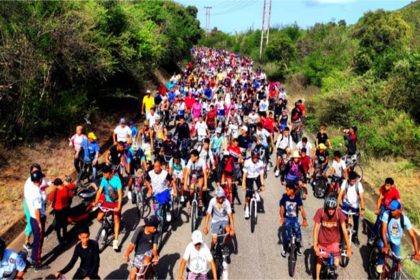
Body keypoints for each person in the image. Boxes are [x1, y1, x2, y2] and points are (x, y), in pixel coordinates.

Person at [313, 195, 352, 280]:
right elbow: (316, 229)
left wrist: (349, 248)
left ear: (335, 208)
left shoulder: (339, 213)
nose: (331, 211)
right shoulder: (321, 212)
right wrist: (315, 244)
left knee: (336, 263)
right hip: (322, 241)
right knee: (319, 259)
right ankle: (317, 277)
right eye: (329, 209)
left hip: (334, 241)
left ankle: (331, 272)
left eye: (333, 209)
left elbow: (345, 231)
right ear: (326, 207)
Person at [375, 200, 420, 273]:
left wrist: (417, 253)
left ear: (399, 210)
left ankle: (393, 275)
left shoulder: (405, 220)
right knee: (381, 246)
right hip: (386, 237)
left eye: (393, 210)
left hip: (396, 241)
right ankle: (380, 263)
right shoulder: (386, 214)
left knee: (397, 262)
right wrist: (386, 245)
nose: (391, 211)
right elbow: (383, 230)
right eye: (390, 209)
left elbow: (413, 236)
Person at [94, 165, 123, 251]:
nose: (103, 175)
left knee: (116, 219)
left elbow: (120, 194)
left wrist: (118, 206)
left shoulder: (117, 180)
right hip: (107, 202)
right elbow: (99, 191)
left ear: (109, 173)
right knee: (99, 218)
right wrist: (96, 202)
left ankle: (116, 241)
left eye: (104, 174)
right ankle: (107, 225)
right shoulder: (104, 179)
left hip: (115, 202)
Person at [25, 170, 48, 271]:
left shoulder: (30, 189)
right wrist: (39, 223)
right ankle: (37, 263)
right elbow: (37, 210)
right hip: (37, 218)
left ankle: (34, 258)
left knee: (36, 240)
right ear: (40, 180)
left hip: (31, 217)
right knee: (38, 241)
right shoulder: (37, 193)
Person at [123, 216, 159, 280]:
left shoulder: (155, 233)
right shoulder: (139, 230)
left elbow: (154, 248)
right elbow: (132, 245)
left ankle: (151, 274)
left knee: (146, 262)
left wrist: (155, 256)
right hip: (138, 254)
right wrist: (127, 254)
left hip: (149, 251)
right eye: (154, 227)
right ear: (148, 226)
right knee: (132, 276)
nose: (156, 229)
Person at [279, 183, 308, 257]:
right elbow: (281, 208)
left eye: (287, 189)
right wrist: (282, 217)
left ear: (292, 190)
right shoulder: (284, 197)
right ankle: (285, 248)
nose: (286, 191)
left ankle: (298, 246)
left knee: (297, 230)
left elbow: (302, 210)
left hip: (294, 219)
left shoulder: (297, 199)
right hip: (287, 218)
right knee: (286, 233)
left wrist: (304, 219)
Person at [337, 171, 365, 246]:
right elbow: (340, 194)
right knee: (342, 220)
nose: (352, 182)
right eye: (351, 180)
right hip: (346, 203)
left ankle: (355, 236)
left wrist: (362, 209)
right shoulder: (345, 182)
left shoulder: (359, 185)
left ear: (356, 179)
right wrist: (338, 205)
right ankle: (341, 235)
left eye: (354, 180)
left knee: (356, 222)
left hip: (355, 205)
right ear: (349, 179)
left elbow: (362, 198)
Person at [370, 178, 400, 242]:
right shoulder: (383, 188)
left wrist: (397, 211)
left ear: (392, 185)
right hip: (383, 207)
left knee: (387, 224)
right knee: (378, 221)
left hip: (390, 209)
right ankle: (372, 236)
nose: (386, 187)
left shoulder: (395, 191)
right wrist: (377, 209)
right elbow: (380, 198)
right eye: (385, 185)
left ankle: (384, 239)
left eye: (388, 186)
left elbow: (398, 202)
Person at [48, 178, 75, 244]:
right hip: (65, 209)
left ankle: (60, 238)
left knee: (58, 225)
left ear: (56, 185)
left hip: (58, 211)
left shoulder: (56, 192)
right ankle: (65, 237)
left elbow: (50, 199)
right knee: (64, 224)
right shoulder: (66, 189)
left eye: (54, 184)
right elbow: (72, 193)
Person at [242, 150, 265, 219]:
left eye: (256, 157)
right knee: (248, 195)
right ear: (252, 156)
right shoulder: (247, 162)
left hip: (257, 176)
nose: (255, 159)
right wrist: (243, 184)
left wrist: (262, 185)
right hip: (249, 177)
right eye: (254, 157)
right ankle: (247, 208)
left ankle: (256, 193)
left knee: (260, 188)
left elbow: (261, 175)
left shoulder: (260, 162)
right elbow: (244, 174)